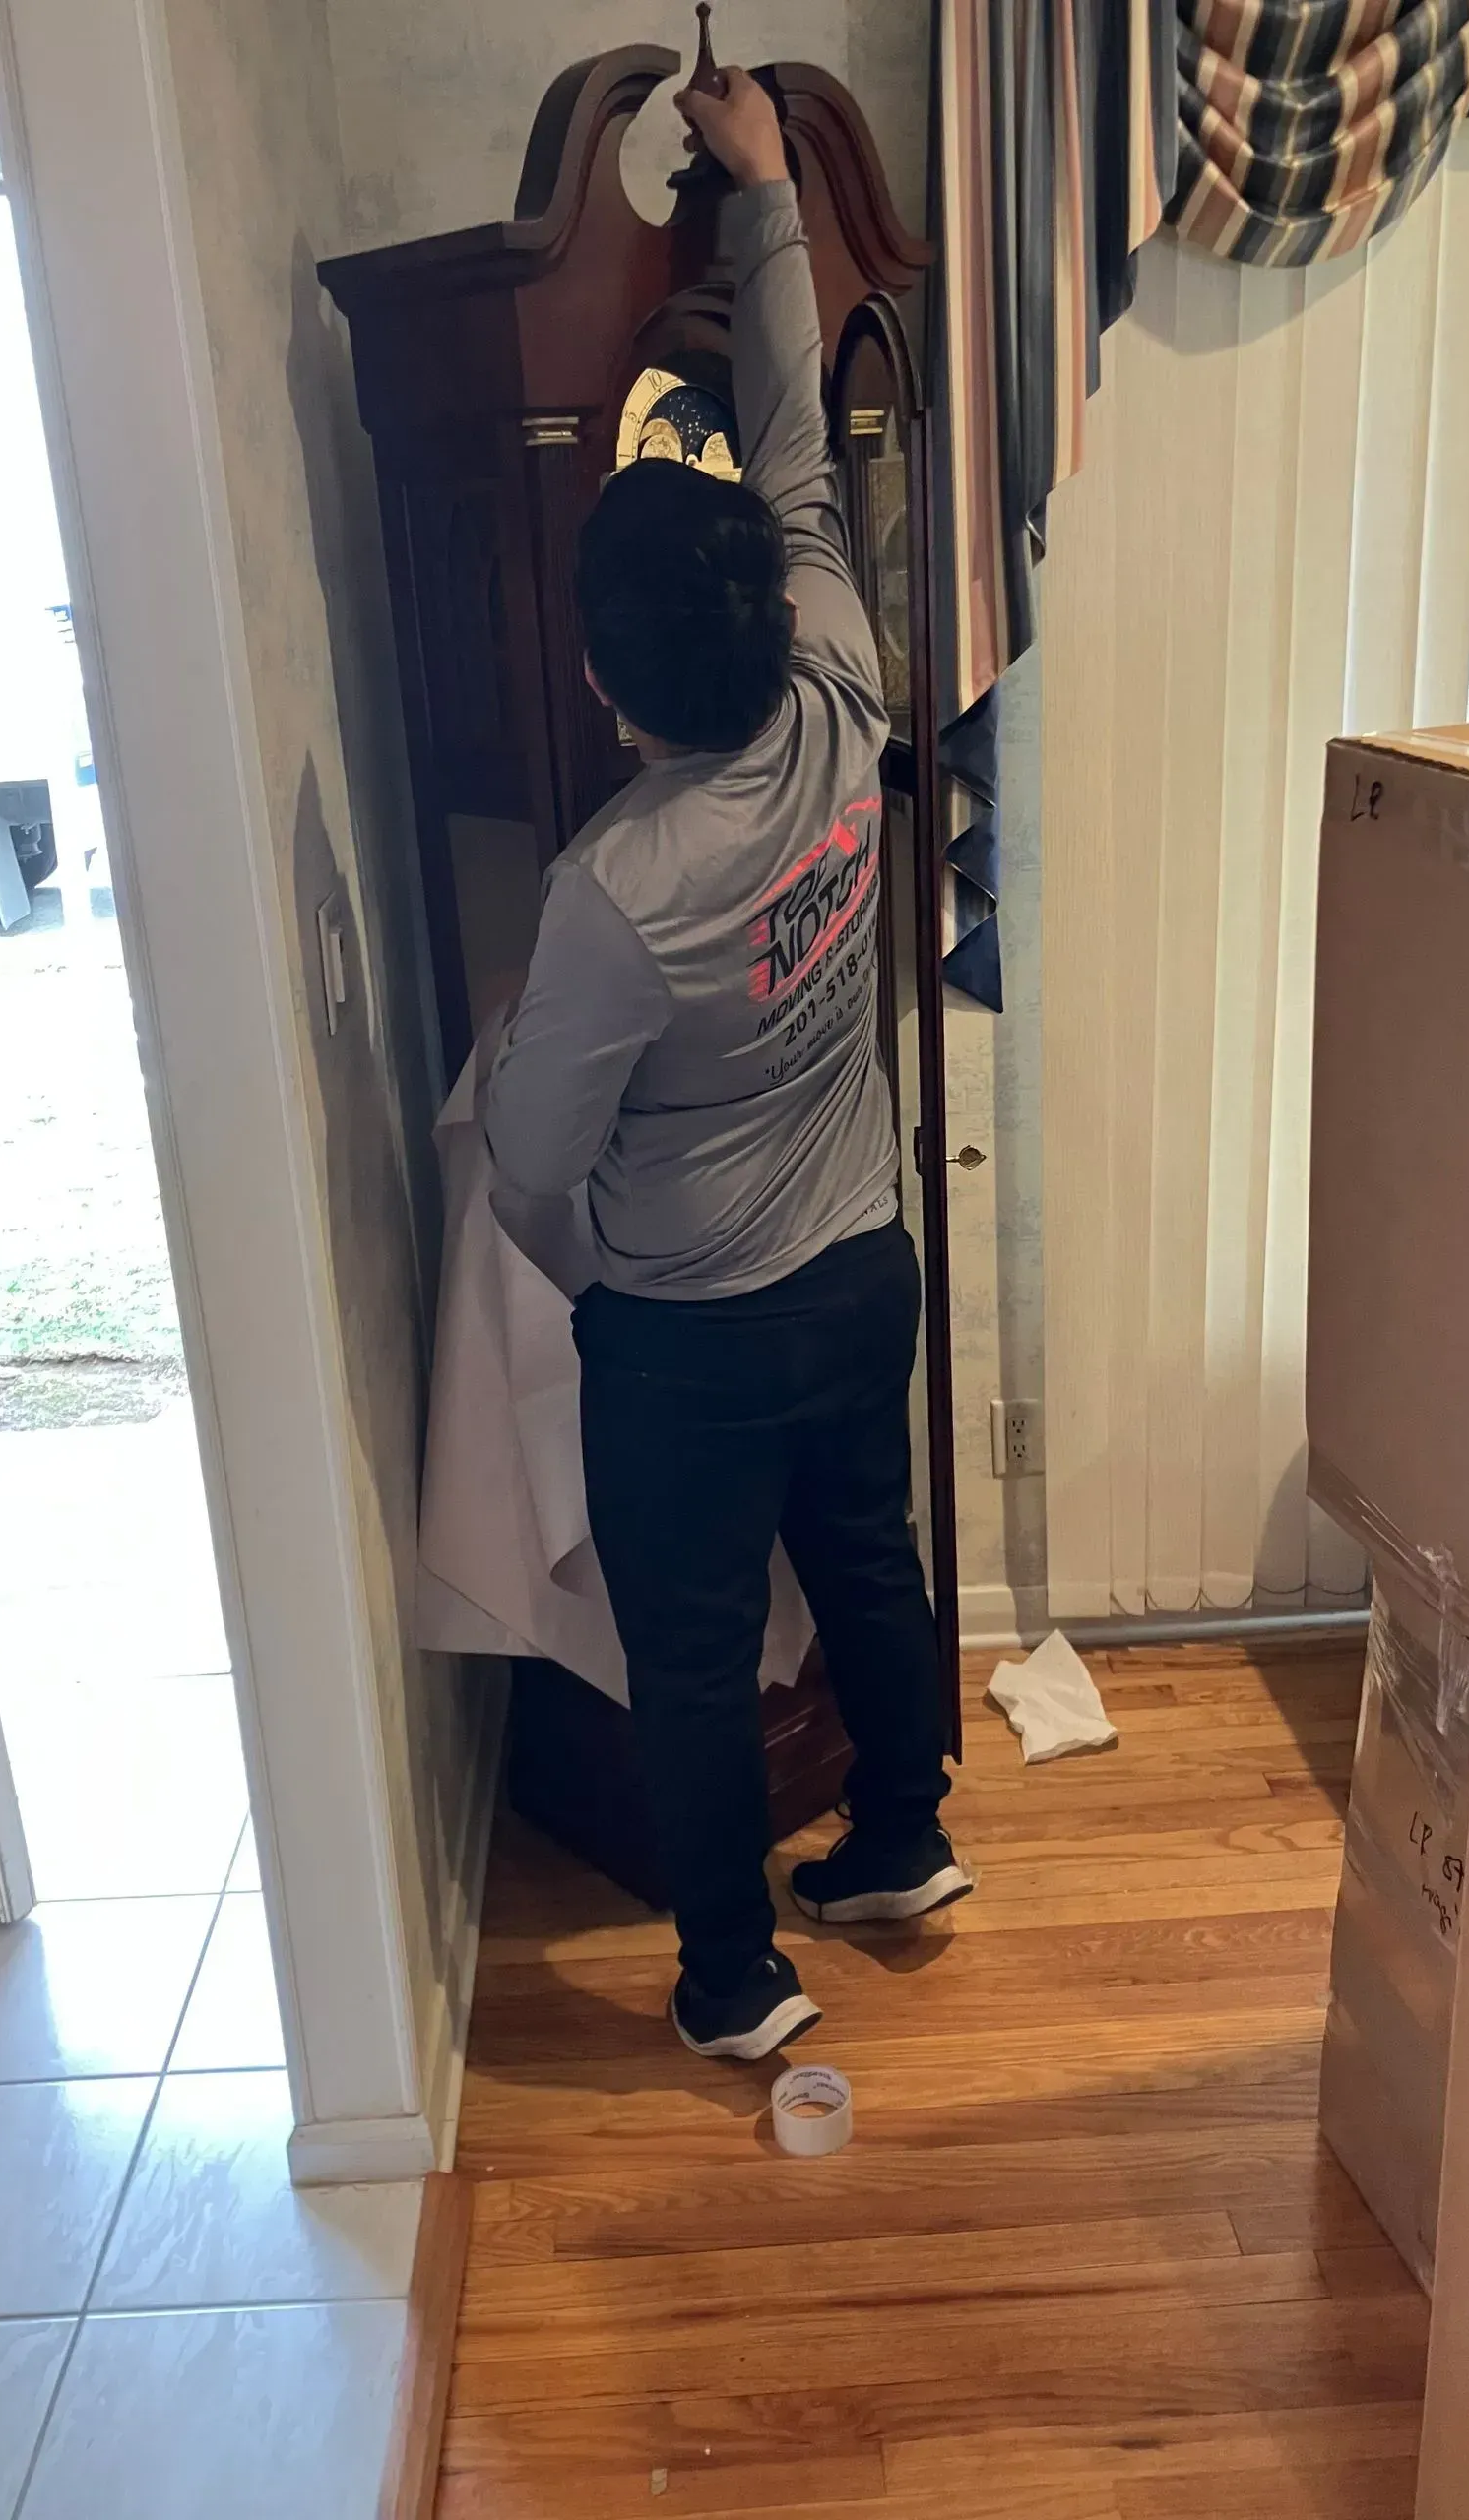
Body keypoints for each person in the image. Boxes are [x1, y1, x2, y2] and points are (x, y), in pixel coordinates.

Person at [484, 65, 971, 2063]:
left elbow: (527, 1159)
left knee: (688, 1654)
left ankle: (731, 1974)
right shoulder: (842, 678)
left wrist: (601, 1264)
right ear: (767, 612)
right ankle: (906, 1839)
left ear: (606, 679)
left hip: (686, 1329)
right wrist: (763, 193)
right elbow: (790, 431)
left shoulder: (611, 889)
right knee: (870, 1554)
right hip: (861, 1271)